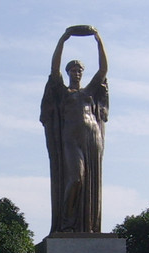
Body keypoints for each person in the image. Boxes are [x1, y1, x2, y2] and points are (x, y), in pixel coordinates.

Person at [40, 26, 108, 233]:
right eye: (73, 70)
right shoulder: (62, 91)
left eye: (80, 70)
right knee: (75, 179)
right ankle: (67, 224)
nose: (77, 73)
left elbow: (103, 70)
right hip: (69, 138)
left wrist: (99, 41)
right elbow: (54, 69)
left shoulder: (90, 91)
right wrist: (63, 40)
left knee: (90, 182)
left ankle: (89, 226)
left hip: (91, 136)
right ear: (68, 72)